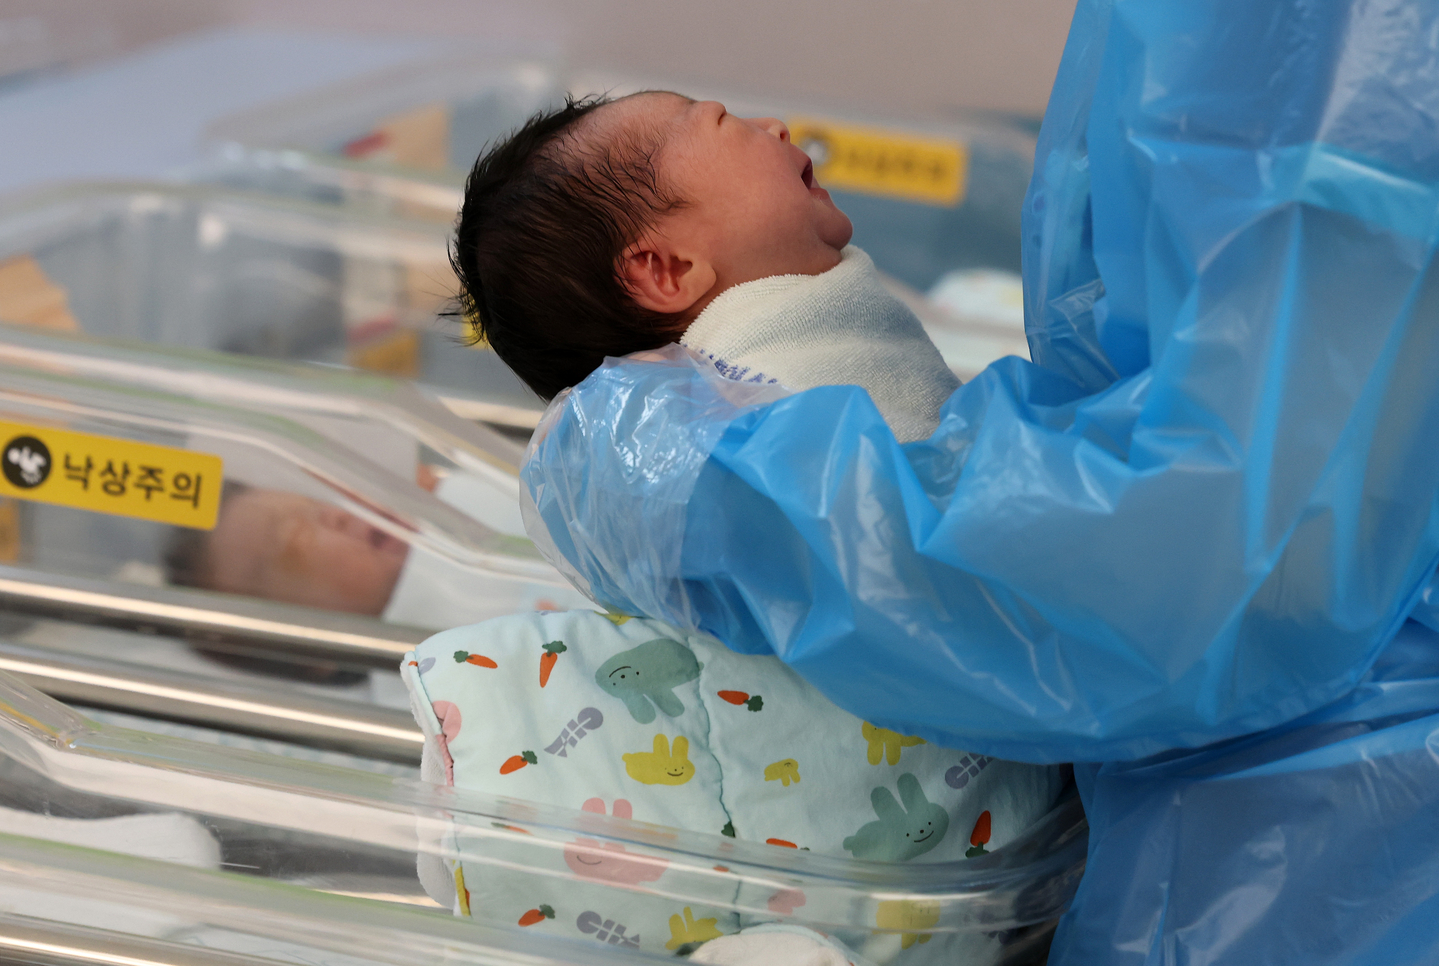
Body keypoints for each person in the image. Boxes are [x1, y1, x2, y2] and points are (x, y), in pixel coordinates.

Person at [517, 1, 1439, 963]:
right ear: (664, 267)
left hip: (1336, 821)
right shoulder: (731, 387)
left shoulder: (1347, 47)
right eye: (720, 126)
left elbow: (1210, 560)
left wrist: (703, 493)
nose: (775, 127)